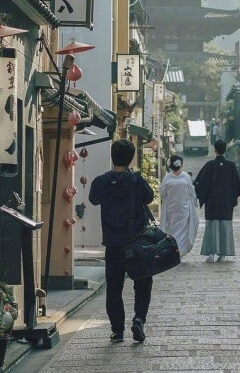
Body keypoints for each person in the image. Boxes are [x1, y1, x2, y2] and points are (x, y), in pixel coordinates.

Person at [88, 139, 154, 344]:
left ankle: (117, 330)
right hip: (135, 243)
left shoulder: (101, 181)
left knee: (114, 288)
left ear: (112, 156)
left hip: (113, 244)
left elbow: (93, 199)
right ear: (131, 158)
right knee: (143, 282)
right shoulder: (136, 180)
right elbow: (149, 197)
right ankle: (139, 319)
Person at [194, 139, 240, 262]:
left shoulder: (210, 165)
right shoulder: (231, 165)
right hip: (226, 203)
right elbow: (237, 185)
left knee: (212, 226)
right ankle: (223, 255)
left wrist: (202, 195)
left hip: (212, 202)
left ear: (215, 150)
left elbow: (199, 183)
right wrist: (233, 198)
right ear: (225, 150)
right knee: (225, 227)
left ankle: (211, 254)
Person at [159, 154, 199, 256]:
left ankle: (176, 251)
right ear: (181, 165)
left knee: (173, 229)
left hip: (174, 207)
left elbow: (162, 193)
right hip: (180, 207)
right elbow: (192, 191)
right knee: (180, 230)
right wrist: (195, 202)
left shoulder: (167, 177)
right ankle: (178, 251)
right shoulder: (186, 177)